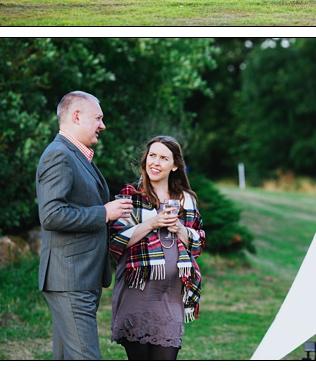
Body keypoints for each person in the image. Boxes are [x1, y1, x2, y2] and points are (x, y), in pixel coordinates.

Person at [37, 91, 131, 360]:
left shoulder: (77, 155)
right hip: (70, 279)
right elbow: (52, 215)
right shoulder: (59, 155)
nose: (103, 125)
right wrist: (103, 212)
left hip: (81, 276)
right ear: (77, 116)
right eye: (98, 118)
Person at [108, 136, 205, 361]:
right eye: (152, 155)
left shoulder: (186, 200)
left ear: (175, 165)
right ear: (145, 160)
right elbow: (115, 241)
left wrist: (179, 229)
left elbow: (199, 243)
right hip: (137, 293)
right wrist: (152, 223)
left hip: (171, 294)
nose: (156, 162)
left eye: (163, 158)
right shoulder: (130, 196)